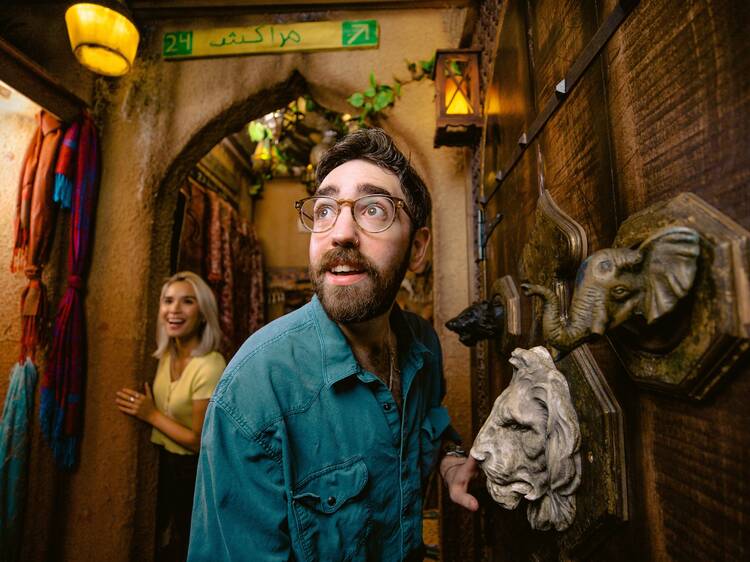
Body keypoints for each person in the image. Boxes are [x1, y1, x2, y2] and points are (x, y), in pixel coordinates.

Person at [188, 128, 479, 561]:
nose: (341, 232)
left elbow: (432, 425)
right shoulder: (253, 391)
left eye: (374, 209)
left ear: (418, 249)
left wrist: (450, 457)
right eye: (325, 209)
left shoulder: (421, 346)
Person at [116, 271, 226, 562]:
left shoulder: (210, 365)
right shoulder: (166, 356)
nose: (174, 309)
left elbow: (198, 441)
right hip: (163, 465)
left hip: (192, 473)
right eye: (168, 301)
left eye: (187, 301)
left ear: (203, 314)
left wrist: (150, 414)